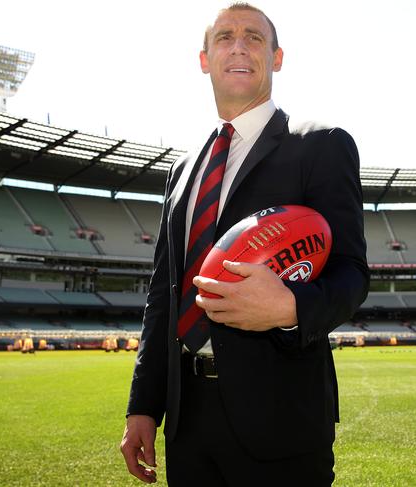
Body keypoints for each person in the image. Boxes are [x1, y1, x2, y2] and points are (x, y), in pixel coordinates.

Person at [120, 3, 369, 486]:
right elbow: (162, 296)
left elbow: (352, 275)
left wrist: (290, 307)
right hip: (187, 421)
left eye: (254, 38)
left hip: (280, 419)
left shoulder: (320, 145)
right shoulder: (182, 169)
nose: (238, 46)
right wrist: (144, 406)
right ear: (204, 58)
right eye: (225, 37)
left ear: (276, 58)